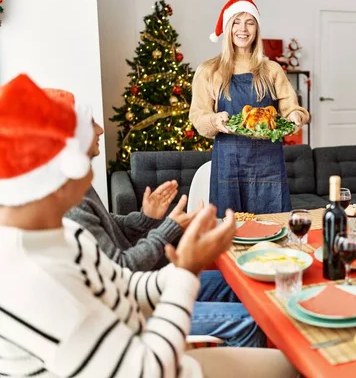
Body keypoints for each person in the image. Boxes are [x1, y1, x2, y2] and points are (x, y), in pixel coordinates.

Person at [0, 74, 298, 378]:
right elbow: (144, 371)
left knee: (287, 361)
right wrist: (185, 272)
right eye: (84, 158)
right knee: (287, 365)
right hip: (150, 364)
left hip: (145, 348)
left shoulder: (62, 234)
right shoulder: (32, 279)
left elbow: (125, 286)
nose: (91, 173)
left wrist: (185, 265)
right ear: (62, 173)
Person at [44, 90, 266, 348]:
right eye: (92, 122)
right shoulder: (67, 203)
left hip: (138, 286)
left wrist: (146, 217)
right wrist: (171, 231)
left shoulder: (77, 183)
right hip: (127, 307)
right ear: (72, 136)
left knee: (235, 283)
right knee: (248, 321)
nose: (101, 130)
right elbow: (122, 268)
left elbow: (109, 223)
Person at [189, 0, 310, 217]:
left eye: (249, 22)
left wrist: (295, 116)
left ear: (256, 29)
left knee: (274, 227)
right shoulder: (209, 70)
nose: (242, 29)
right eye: (236, 21)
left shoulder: (271, 69)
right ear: (227, 27)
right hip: (229, 164)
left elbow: (291, 108)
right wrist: (214, 120)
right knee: (230, 231)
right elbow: (198, 116)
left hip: (269, 165)